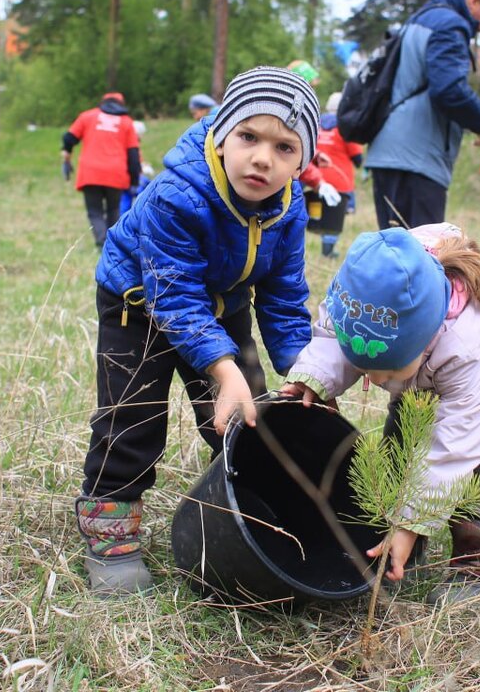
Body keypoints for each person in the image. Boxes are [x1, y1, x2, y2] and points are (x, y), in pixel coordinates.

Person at [75, 67, 320, 595]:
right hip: (139, 304)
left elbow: (283, 295)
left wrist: (307, 371)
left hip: (222, 305)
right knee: (132, 418)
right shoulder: (176, 194)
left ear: (303, 160)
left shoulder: (289, 207)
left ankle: (252, 518)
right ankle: (111, 533)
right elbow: (174, 295)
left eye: (284, 147)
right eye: (249, 137)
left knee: (247, 416)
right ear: (221, 131)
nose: (262, 158)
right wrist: (221, 366)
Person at [282, 224, 480, 604]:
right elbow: (334, 335)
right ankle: (396, 550)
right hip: (426, 380)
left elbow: (455, 447)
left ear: (426, 337)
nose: (377, 379)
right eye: (367, 367)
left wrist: (412, 521)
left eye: (389, 370)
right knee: (399, 451)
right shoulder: (365, 289)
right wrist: (316, 378)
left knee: (479, 472)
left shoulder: (469, 342)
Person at [365, 0, 480, 229]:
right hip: (416, 158)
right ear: (474, 1)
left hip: (389, 151)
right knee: (423, 255)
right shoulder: (450, 25)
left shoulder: (421, 18)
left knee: (394, 252)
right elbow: (448, 89)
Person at [61, 91, 141, 247]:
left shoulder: (87, 116)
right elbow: (133, 154)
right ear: (121, 105)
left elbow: (68, 138)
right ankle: (112, 244)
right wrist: (134, 180)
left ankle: (101, 239)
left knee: (94, 210)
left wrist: (67, 151)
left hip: (90, 173)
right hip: (116, 173)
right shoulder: (126, 122)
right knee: (113, 210)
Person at [306, 91, 365, 258]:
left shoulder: (315, 124)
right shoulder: (345, 128)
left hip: (314, 179)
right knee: (334, 218)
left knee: (314, 214)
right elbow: (358, 158)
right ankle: (328, 250)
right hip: (339, 180)